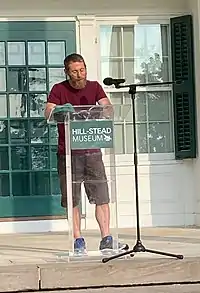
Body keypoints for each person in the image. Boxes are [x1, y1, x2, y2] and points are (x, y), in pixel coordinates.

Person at [45, 53, 126, 254]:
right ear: (66, 72)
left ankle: (106, 238)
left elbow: (108, 108)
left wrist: (106, 110)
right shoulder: (58, 89)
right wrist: (59, 110)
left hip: (92, 150)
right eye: (74, 71)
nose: (79, 75)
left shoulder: (94, 86)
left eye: (82, 70)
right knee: (72, 199)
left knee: (101, 196)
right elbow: (48, 112)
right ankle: (78, 240)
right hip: (68, 153)